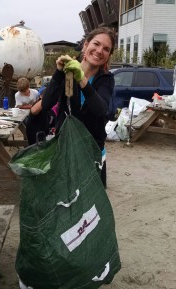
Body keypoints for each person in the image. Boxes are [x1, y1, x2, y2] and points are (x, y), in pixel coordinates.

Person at [42, 27, 116, 188]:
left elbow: (100, 109)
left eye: (106, 49)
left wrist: (81, 79)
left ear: (109, 56)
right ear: (85, 45)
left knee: (92, 207)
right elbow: (46, 104)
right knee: (65, 202)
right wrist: (58, 73)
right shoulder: (67, 71)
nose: (99, 51)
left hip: (93, 152)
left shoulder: (106, 79)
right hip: (65, 149)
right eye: (96, 44)